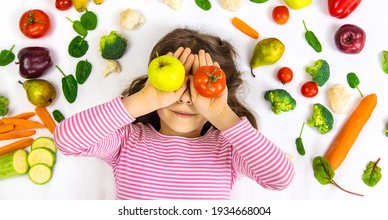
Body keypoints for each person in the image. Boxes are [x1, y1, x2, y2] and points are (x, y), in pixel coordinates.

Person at [54, 27, 295, 200]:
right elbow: (67, 140)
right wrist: (146, 99)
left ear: (222, 93)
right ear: (153, 82)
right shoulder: (126, 141)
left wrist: (221, 113)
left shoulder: (228, 149)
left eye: (199, 88)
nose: (186, 97)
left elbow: (280, 178)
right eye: (175, 85)